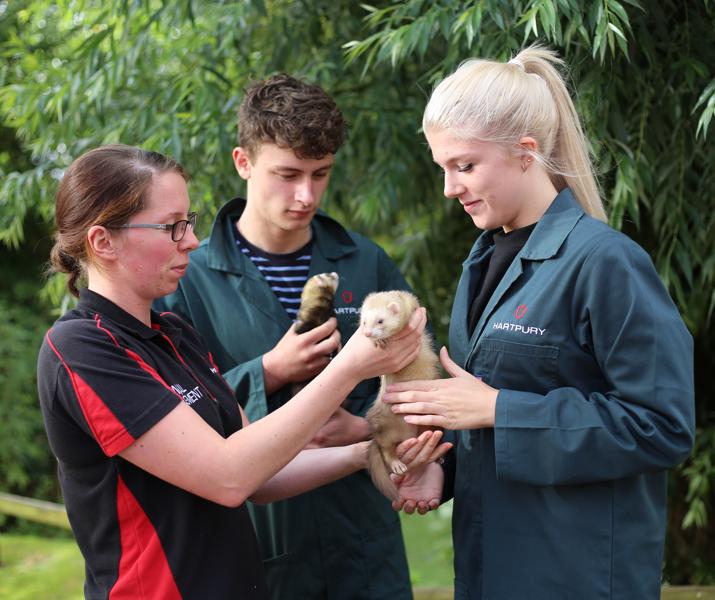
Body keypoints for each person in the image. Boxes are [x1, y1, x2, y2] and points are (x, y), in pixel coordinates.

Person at [37, 144, 447, 600]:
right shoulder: (82, 349)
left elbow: (262, 476)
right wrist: (351, 367)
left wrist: (374, 454)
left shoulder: (175, 334)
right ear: (102, 242)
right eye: (172, 227)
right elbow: (228, 477)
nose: (190, 240)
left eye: (188, 223)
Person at [381, 46, 696, 599]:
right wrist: (443, 471)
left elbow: (663, 427)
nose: (450, 188)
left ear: (526, 153)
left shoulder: (606, 262)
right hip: (490, 571)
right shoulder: (479, 264)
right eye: (443, 168)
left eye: (465, 166)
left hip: (578, 578)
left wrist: (499, 408)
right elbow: (489, 422)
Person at [156, 74, 422, 599]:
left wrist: (368, 423)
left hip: (364, 542)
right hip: (261, 545)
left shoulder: (366, 261)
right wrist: (268, 372)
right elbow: (171, 415)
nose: (305, 195)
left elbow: (421, 374)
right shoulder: (186, 279)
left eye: (320, 174)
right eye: (288, 174)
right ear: (243, 162)